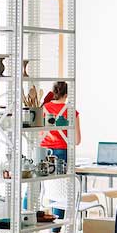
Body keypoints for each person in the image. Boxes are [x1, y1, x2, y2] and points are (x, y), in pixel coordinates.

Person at [41, 81, 81, 219]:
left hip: (43, 151)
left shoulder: (44, 108)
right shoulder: (71, 111)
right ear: (67, 94)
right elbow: (76, 141)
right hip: (61, 152)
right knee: (60, 192)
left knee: (42, 189)